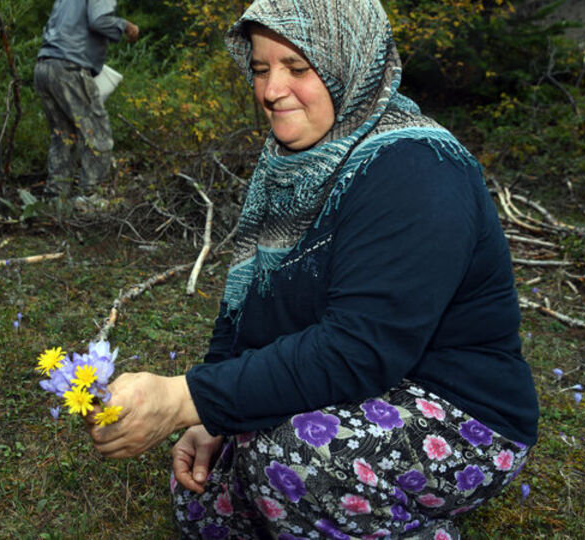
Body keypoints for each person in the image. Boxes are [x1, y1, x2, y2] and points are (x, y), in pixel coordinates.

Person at [87, 0, 539, 538]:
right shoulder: (291, 163)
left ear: (351, 62)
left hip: (459, 410)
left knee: (291, 460)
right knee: (205, 499)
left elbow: (359, 349)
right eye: (260, 68)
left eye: (298, 68)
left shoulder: (417, 167)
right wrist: (213, 415)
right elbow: (250, 306)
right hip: (361, 386)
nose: (271, 90)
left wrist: (186, 397)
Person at [34, 0, 139, 198]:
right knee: (97, 133)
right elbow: (99, 21)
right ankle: (90, 197)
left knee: (62, 136)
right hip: (70, 68)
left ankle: (56, 199)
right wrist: (125, 25)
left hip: (44, 66)